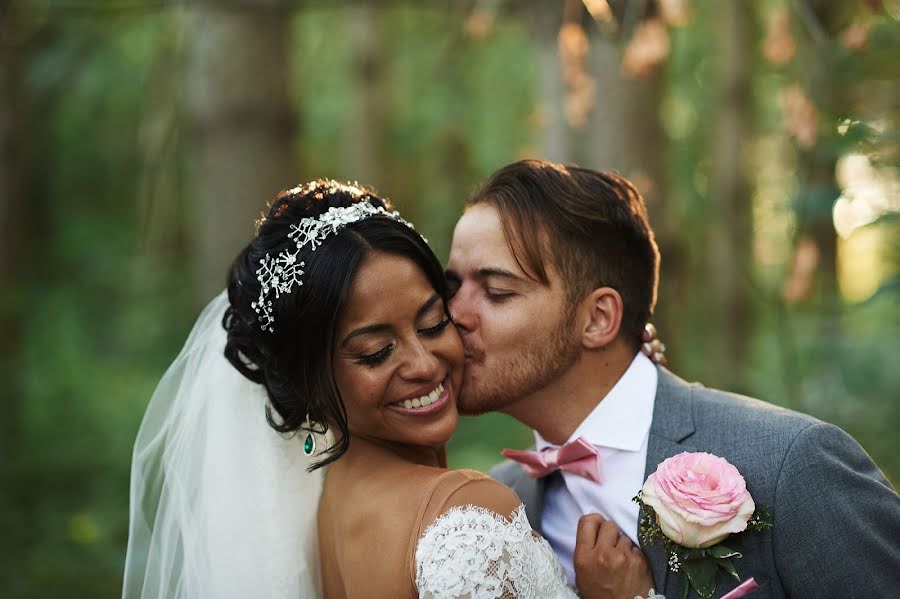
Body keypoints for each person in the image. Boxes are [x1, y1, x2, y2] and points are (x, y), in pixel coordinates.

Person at [122, 180, 660, 599]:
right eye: (376, 353)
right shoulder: (463, 513)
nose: (425, 364)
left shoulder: (316, 514)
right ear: (309, 381)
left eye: (431, 323)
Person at [445, 159, 900, 598]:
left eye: (496, 291)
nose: (453, 315)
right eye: (452, 288)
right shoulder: (496, 511)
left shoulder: (792, 466)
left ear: (598, 319)